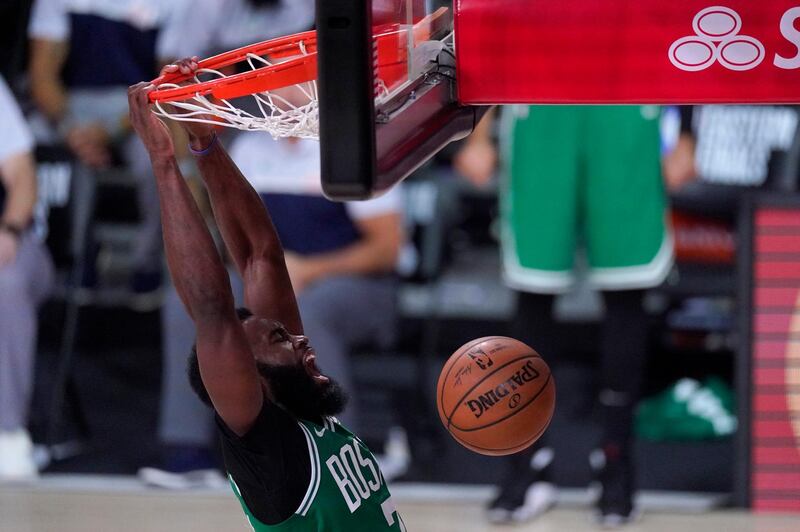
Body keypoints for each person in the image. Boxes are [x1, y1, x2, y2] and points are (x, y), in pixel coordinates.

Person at [127, 69, 405, 530]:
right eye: (280, 340)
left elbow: (260, 257)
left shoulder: (305, 410)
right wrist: (164, 161)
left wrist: (206, 145)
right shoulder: (266, 445)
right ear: (250, 380)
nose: (300, 341)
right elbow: (212, 311)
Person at [456, 105, 688, 526]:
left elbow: (676, 37)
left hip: (625, 100)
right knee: (534, 291)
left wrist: (686, 134)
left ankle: (616, 460)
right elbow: (491, 39)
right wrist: (479, 133)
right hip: (541, 102)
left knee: (625, 290)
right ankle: (527, 462)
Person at [27, 0, 196, 309]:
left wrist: (113, 129)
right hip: (72, 105)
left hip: (141, 101)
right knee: (34, 142)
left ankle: (147, 263)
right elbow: (42, 74)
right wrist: (73, 132)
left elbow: (168, 79)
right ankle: (70, 257)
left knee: (163, 156)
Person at [0, 74, 55, 481]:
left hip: (10, 242)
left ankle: (8, 434)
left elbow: (22, 173)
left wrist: (10, 230)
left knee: (6, 279)